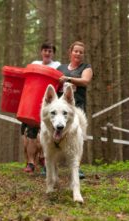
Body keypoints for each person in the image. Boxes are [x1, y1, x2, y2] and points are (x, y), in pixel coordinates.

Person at [22, 42, 61, 174]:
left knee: (48, 134)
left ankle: (46, 161)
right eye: (45, 50)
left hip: (50, 106)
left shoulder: (57, 66)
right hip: (33, 105)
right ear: (41, 52)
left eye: (50, 51)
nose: (47, 53)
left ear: (53, 53)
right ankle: (31, 163)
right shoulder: (35, 64)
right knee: (31, 135)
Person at [57, 41, 93, 179]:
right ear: (70, 52)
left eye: (81, 52)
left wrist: (68, 79)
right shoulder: (61, 67)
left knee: (78, 136)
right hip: (61, 108)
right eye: (75, 51)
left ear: (83, 55)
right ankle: (50, 166)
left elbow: (85, 81)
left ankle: (77, 168)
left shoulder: (86, 67)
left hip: (77, 107)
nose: (78, 53)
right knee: (56, 134)